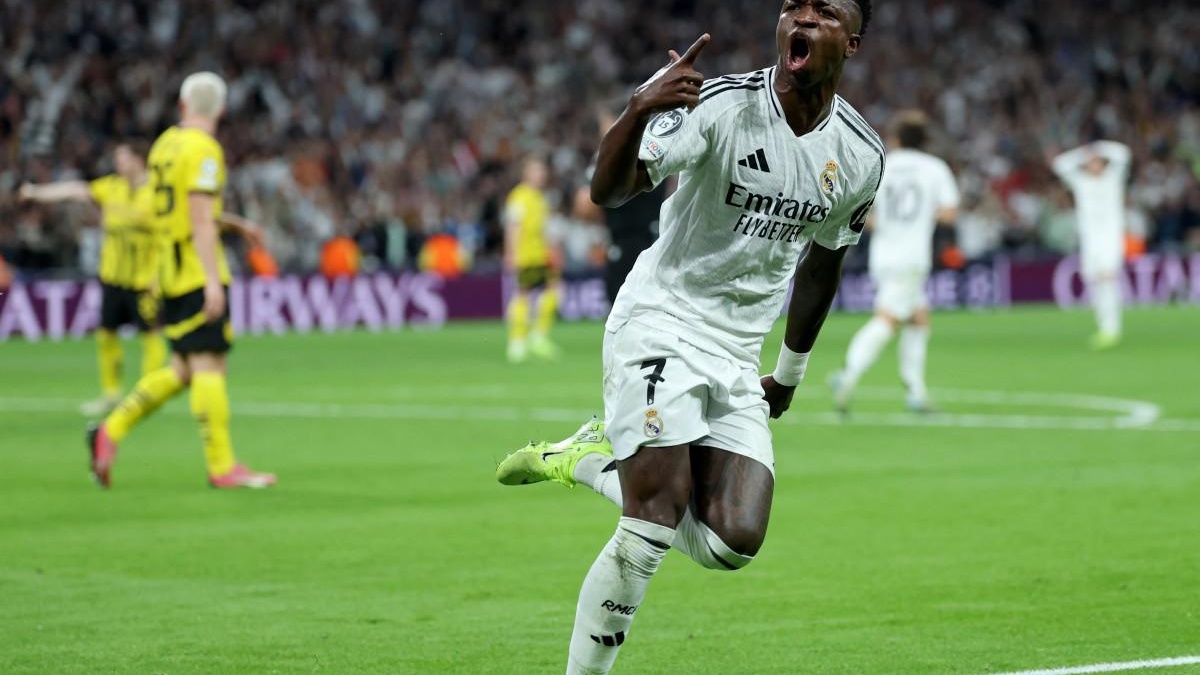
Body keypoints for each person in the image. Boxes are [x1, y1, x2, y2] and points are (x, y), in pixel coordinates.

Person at [495, 2, 882, 673]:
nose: (802, 18)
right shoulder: (720, 107)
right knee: (652, 517)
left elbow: (824, 262)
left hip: (736, 354)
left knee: (733, 539)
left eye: (824, 13)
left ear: (851, 41)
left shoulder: (859, 154)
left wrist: (788, 374)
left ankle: (591, 457)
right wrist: (639, 108)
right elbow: (605, 190)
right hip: (662, 320)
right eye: (794, 6)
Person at [87, 72, 276, 489]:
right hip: (194, 269)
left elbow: (167, 211)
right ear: (222, 111)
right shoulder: (205, 149)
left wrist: (235, 223)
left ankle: (110, 430)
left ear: (183, 104)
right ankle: (222, 466)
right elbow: (198, 218)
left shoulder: (164, 146)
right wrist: (211, 280)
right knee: (210, 364)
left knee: (183, 369)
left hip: (167, 270)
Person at [19, 142, 167, 416]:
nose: (118, 164)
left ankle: (150, 393)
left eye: (122, 159)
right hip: (113, 277)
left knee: (150, 335)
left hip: (144, 281)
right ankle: (111, 395)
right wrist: (37, 192)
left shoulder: (156, 193)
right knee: (106, 334)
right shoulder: (111, 187)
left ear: (138, 160)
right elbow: (75, 190)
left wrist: (159, 276)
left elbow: (168, 236)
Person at [829, 110, 959, 414]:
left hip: (883, 255)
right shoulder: (934, 168)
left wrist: (888, 221)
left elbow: (863, 216)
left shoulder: (881, 165)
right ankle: (848, 374)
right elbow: (950, 213)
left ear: (897, 138)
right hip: (912, 257)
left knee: (918, 318)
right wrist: (922, 218)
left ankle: (915, 391)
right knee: (887, 319)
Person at [1051, 140, 1132, 349]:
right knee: (1095, 283)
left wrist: (1100, 147)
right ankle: (1103, 327)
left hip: (1110, 240)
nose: (1092, 165)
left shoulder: (1112, 178)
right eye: (1090, 162)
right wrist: (1083, 153)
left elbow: (1124, 154)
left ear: (1103, 163)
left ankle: (1112, 329)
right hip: (1090, 242)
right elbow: (1059, 165)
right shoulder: (1082, 182)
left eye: (1096, 161)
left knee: (1108, 280)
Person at [504, 157, 562, 363]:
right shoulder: (519, 197)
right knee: (523, 295)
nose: (541, 174)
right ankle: (517, 341)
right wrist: (512, 253)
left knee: (554, 291)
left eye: (542, 171)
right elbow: (513, 227)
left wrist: (551, 251)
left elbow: (544, 229)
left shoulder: (540, 198)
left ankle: (538, 336)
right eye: (537, 171)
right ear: (526, 174)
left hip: (541, 254)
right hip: (526, 255)